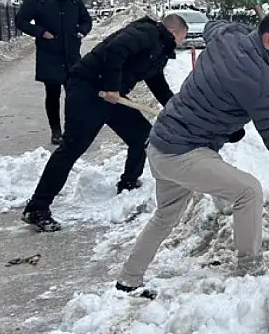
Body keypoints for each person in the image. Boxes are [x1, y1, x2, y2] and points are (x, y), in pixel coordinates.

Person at [115, 7, 269, 298]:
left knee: (165, 216)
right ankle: (250, 270)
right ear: (268, 41)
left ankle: (128, 279)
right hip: (185, 152)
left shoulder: (228, 37)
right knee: (248, 192)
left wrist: (242, 31)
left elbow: (212, 26)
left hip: (161, 142)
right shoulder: (263, 84)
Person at [21, 13, 189, 232]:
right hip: (88, 89)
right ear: (174, 32)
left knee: (143, 136)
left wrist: (174, 109)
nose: (182, 43)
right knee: (72, 147)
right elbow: (115, 50)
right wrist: (112, 86)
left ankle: (128, 182)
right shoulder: (147, 33)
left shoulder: (159, 49)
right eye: (183, 38)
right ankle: (37, 207)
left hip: (111, 96)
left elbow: (157, 82)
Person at [16, 0, 92, 145]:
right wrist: (41, 32)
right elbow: (21, 21)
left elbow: (86, 20)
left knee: (74, 94)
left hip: (72, 54)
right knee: (53, 94)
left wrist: (81, 32)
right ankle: (56, 131)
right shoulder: (37, 0)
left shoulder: (74, 0)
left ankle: (73, 129)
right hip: (49, 54)